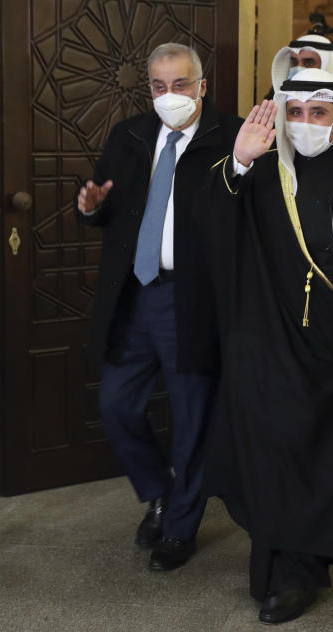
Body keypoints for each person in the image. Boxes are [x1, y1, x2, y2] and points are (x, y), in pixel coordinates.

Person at [202, 68, 333, 624]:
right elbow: (212, 230)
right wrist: (242, 159)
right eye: (293, 113)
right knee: (272, 453)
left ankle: (302, 572)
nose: (304, 123)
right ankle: (274, 567)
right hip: (264, 341)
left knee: (319, 456)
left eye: (317, 113)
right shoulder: (260, 171)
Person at [75, 43, 241, 572]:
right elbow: (108, 206)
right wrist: (91, 210)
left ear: (202, 86)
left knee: (193, 418)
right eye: (158, 86)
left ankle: (180, 527)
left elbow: (247, 218)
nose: (169, 96)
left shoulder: (233, 138)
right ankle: (161, 491)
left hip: (193, 298)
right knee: (117, 407)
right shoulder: (129, 134)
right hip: (133, 294)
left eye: (181, 85)